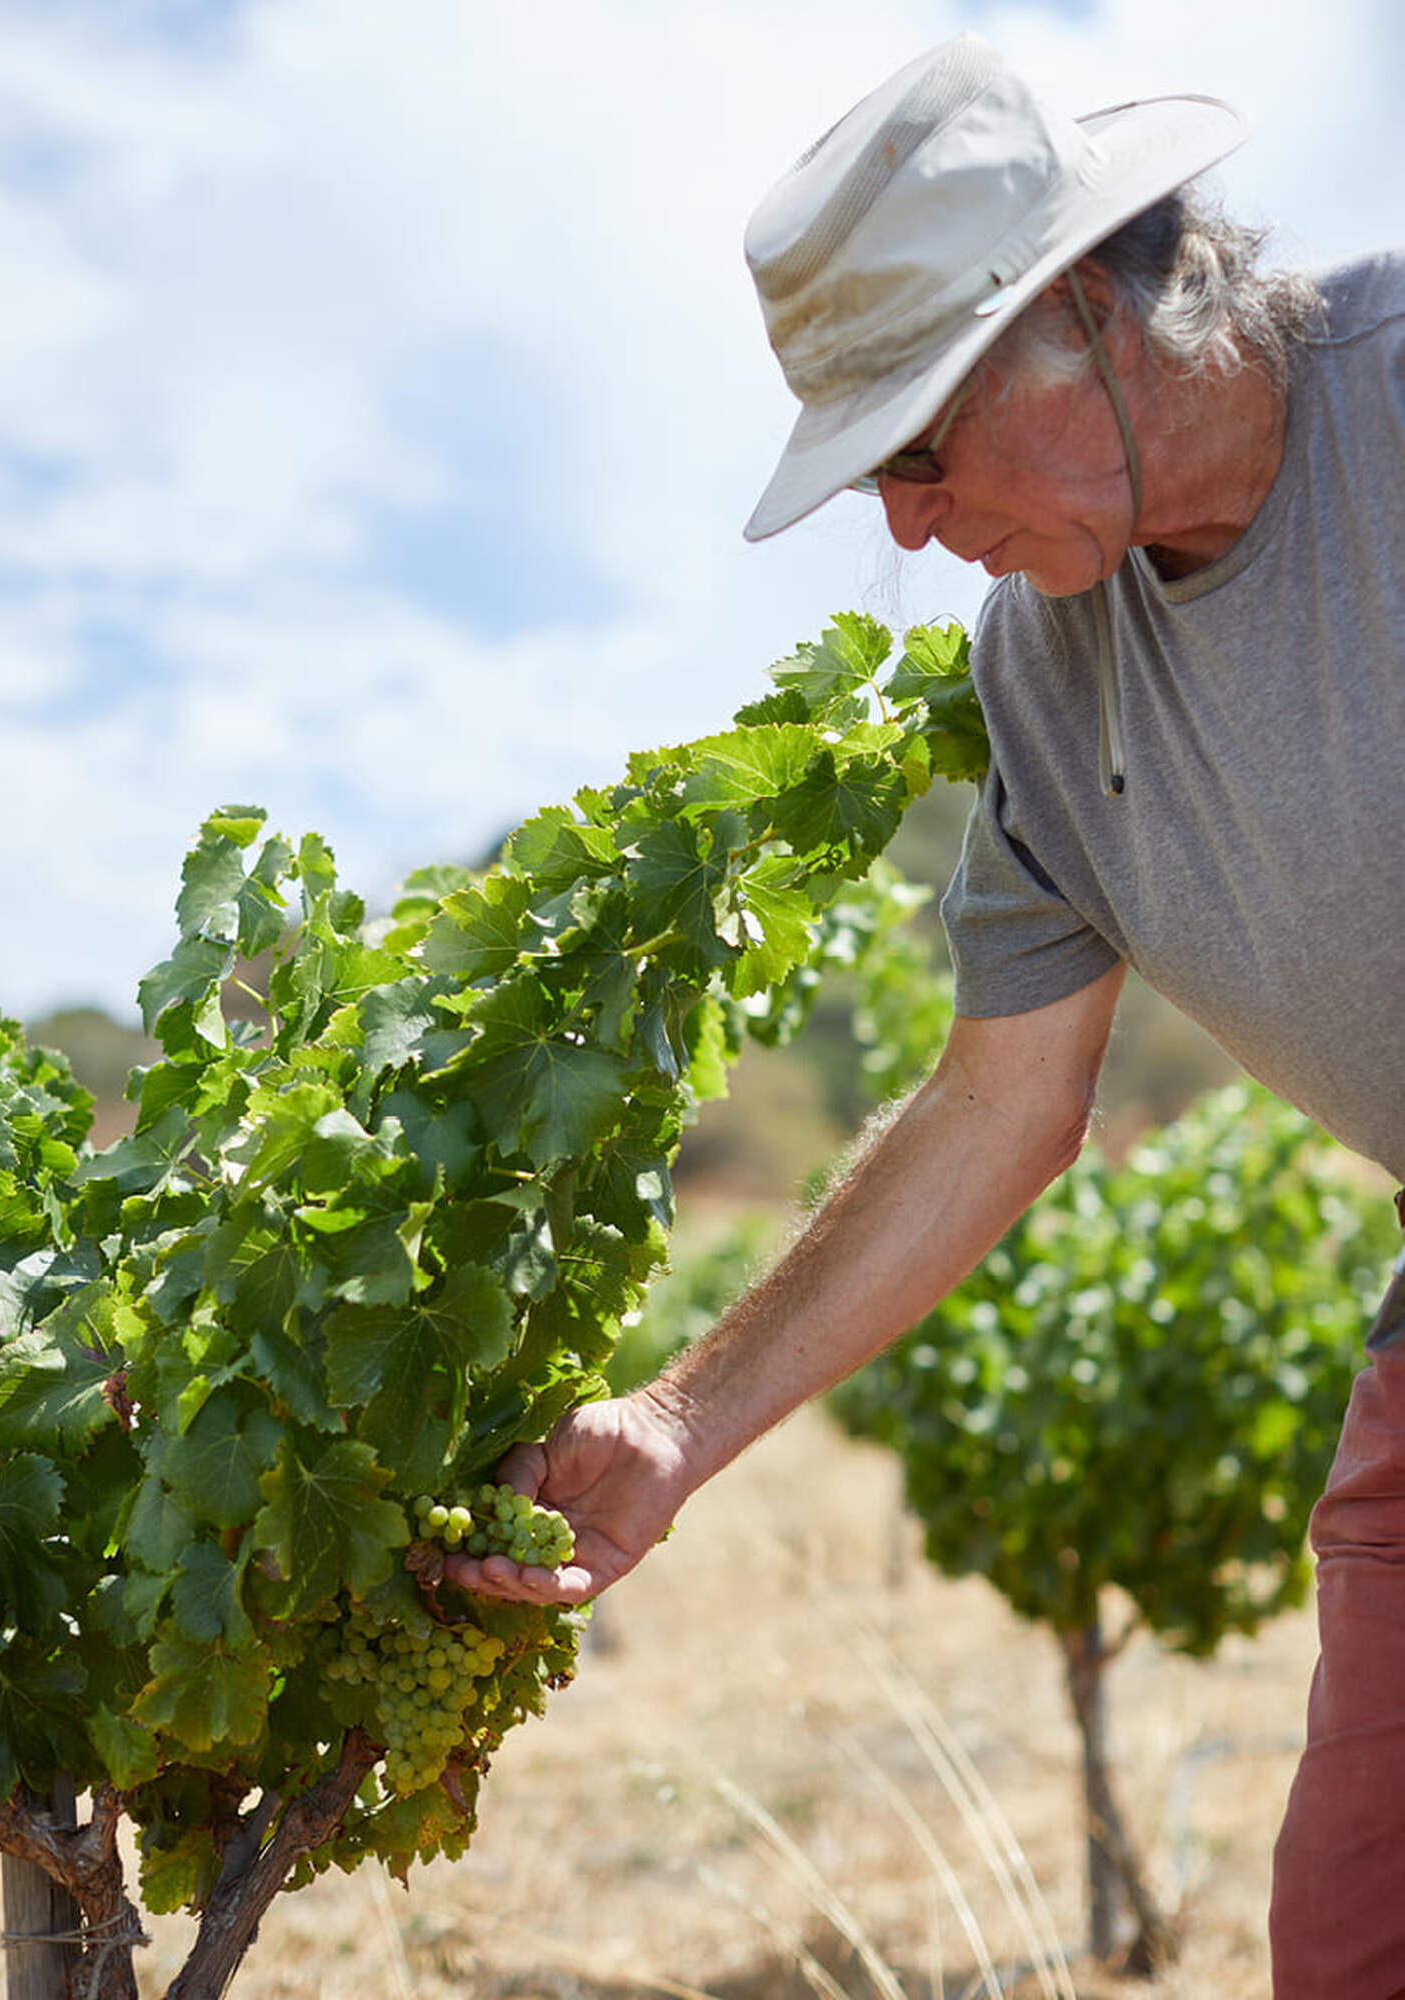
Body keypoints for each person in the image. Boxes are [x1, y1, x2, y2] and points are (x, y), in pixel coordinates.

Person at [446, 33, 1405, 1999]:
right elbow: (996, 1107)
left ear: (1074, 311)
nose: (904, 524)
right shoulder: (1046, 688)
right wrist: (675, 1426)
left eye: (914, 447)